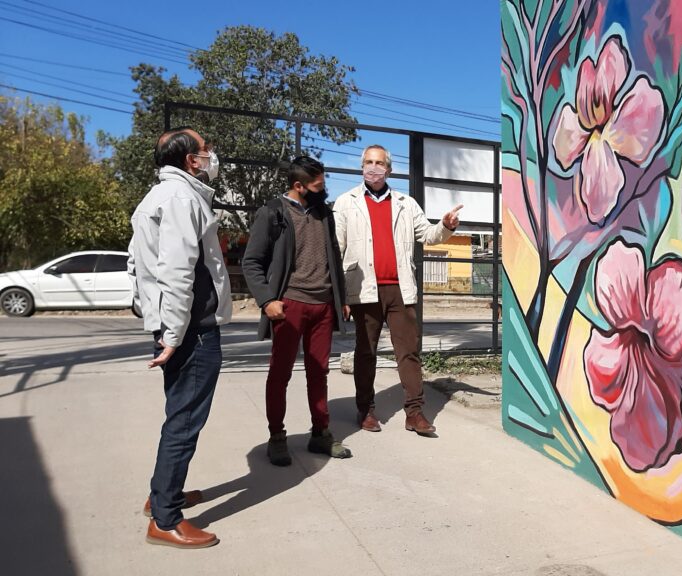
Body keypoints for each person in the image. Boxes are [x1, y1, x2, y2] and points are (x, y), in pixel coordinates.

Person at [128, 127, 231, 549]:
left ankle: (160, 497)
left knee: (180, 418)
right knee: (184, 423)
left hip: (184, 328)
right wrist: (172, 334)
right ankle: (166, 518)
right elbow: (174, 271)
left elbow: (138, 264)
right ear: (191, 160)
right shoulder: (180, 198)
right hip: (193, 332)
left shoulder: (164, 196)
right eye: (206, 149)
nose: (210, 155)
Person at [333, 144, 462, 436]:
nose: (373, 167)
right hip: (363, 290)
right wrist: (340, 295)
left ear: (389, 169)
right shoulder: (345, 202)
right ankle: (365, 410)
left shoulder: (406, 202)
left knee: (409, 352)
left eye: (379, 162)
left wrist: (446, 225)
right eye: (368, 161)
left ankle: (414, 413)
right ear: (361, 166)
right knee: (365, 353)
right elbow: (336, 247)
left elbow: (428, 235)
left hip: (399, 290)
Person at [242, 156, 352, 466]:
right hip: (289, 306)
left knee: (320, 373)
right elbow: (251, 261)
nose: (323, 189)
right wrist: (267, 300)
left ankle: (320, 433)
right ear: (298, 186)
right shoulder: (272, 213)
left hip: (323, 306)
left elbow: (334, 256)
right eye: (318, 185)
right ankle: (277, 437)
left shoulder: (323, 213)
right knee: (280, 373)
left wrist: (339, 296)